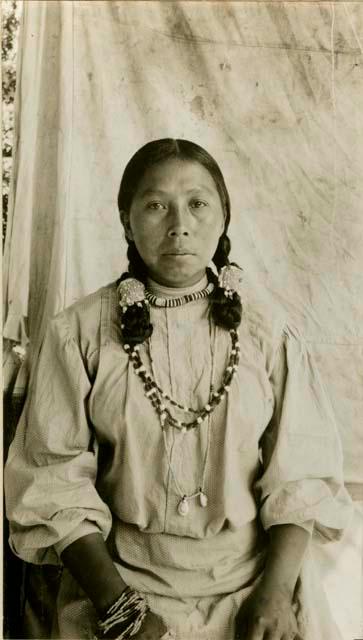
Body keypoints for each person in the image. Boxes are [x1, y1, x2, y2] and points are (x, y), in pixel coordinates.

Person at [5, 139, 352, 640]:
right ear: (127, 221)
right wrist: (122, 609)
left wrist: (275, 593)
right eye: (155, 205)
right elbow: (52, 484)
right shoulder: (77, 334)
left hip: (251, 590)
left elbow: (302, 479)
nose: (178, 224)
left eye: (197, 203)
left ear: (223, 217)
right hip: (119, 592)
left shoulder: (267, 333)